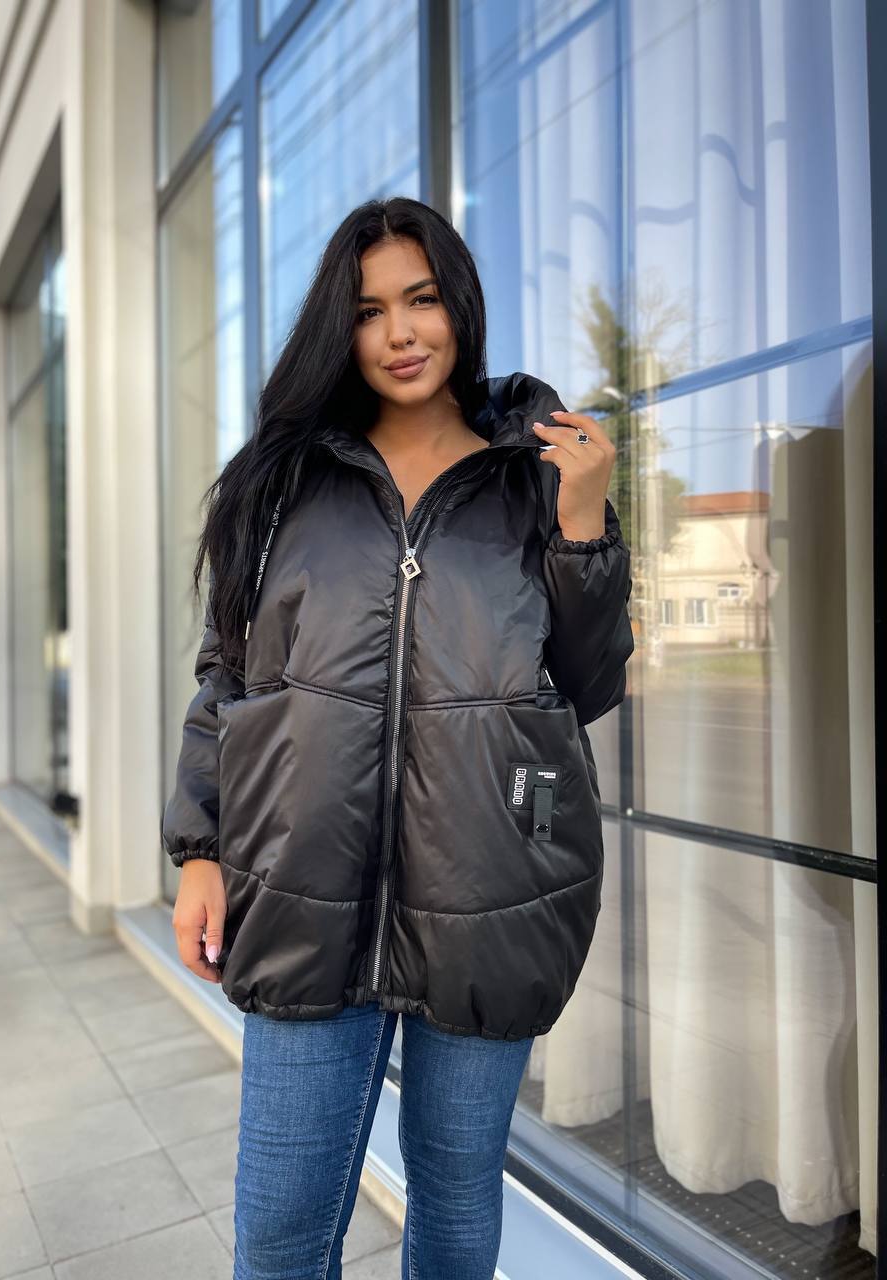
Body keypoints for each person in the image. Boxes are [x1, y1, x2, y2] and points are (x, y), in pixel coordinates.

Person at [161, 196, 635, 1280]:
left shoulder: (535, 477)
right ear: (343, 329)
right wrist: (199, 848)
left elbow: (590, 682)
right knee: (279, 1233)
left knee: (457, 1206)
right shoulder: (285, 481)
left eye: (421, 299)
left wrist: (582, 523)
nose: (401, 332)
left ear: (459, 304)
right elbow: (228, 674)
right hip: (300, 886)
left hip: (492, 891)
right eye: (370, 310)